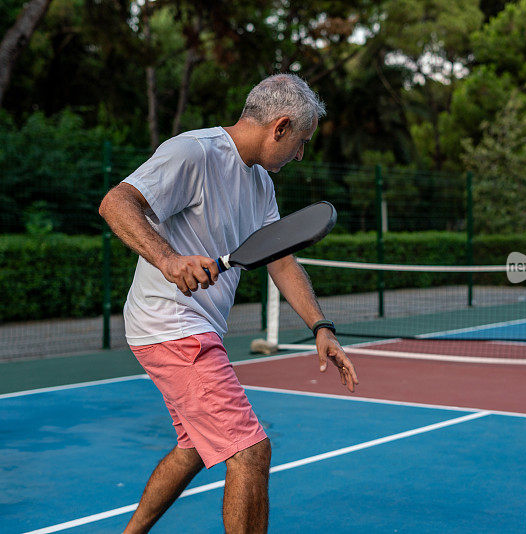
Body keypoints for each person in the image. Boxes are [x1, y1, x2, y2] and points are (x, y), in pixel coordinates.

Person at [98, 73, 359, 533]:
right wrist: (169, 259)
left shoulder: (261, 185)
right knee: (250, 450)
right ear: (279, 128)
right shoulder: (193, 152)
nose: (300, 154)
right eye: (301, 142)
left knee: (196, 448)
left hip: (189, 327)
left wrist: (322, 326)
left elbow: (280, 260)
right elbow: (116, 202)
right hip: (171, 323)